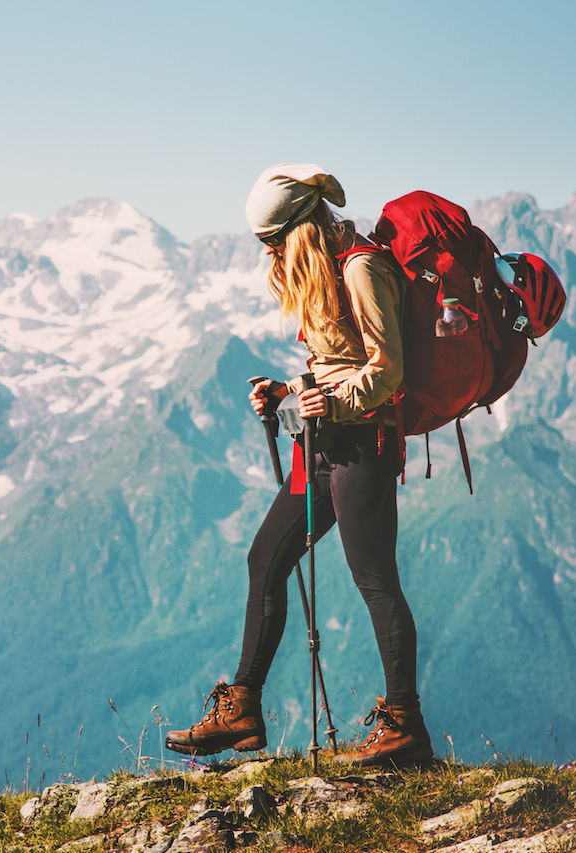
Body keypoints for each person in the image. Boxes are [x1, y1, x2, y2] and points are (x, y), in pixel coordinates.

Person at [165, 163, 433, 767]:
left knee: (375, 579)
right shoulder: (326, 271)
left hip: (363, 443)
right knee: (266, 557)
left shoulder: (361, 268)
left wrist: (331, 401)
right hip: (324, 440)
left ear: (299, 229)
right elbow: (340, 360)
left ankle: (405, 726)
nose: (270, 256)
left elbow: (388, 370)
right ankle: (242, 710)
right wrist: (288, 389)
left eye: (273, 242)